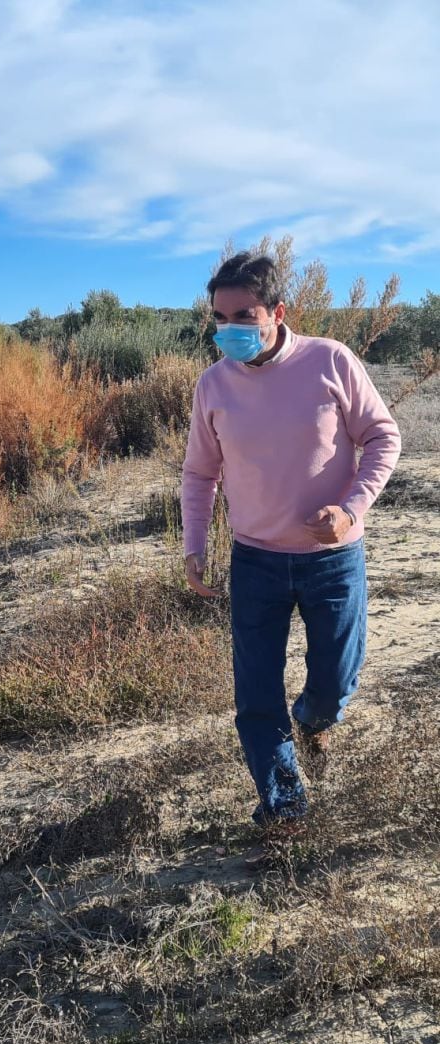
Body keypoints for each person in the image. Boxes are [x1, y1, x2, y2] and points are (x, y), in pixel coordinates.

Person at [180, 251, 401, 831]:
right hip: (255, 560)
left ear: (278, 311)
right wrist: (195, 544)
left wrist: (352, 511)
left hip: (333, 561)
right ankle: (285, 811)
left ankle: (314, 718)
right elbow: (201, 473)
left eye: (243, 315)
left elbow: (383, 436)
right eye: (219, 319)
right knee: (255, 695)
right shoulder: (213, 386)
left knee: (334, 683)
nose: (229, 330)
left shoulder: (330, 360)